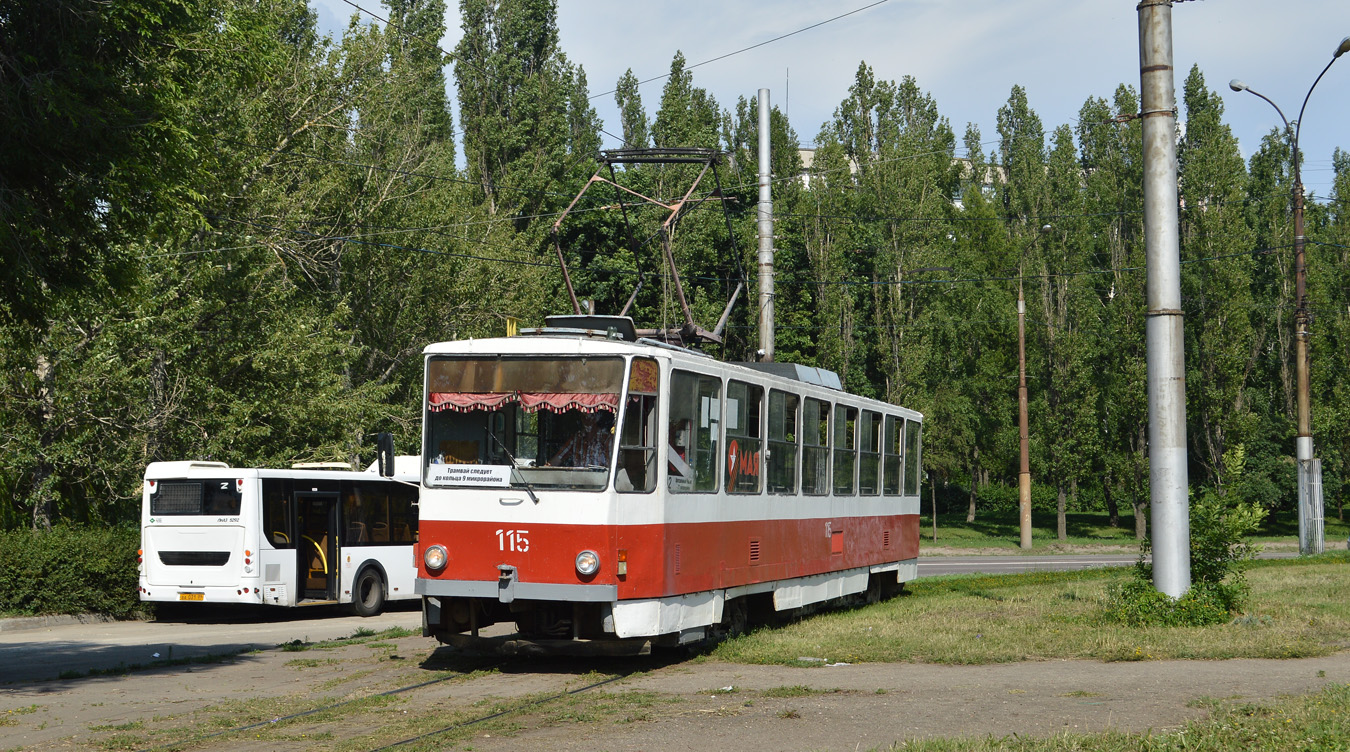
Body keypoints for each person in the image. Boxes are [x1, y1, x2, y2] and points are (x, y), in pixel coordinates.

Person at [548, 410, 614, 468]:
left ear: (596, 419)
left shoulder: (607, 439)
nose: (586, 421)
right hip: (578, 478)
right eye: (583, 417)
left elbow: (611, 466)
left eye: (590, 418)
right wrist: (545, 469)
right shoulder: (576, 439)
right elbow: (558, 458)